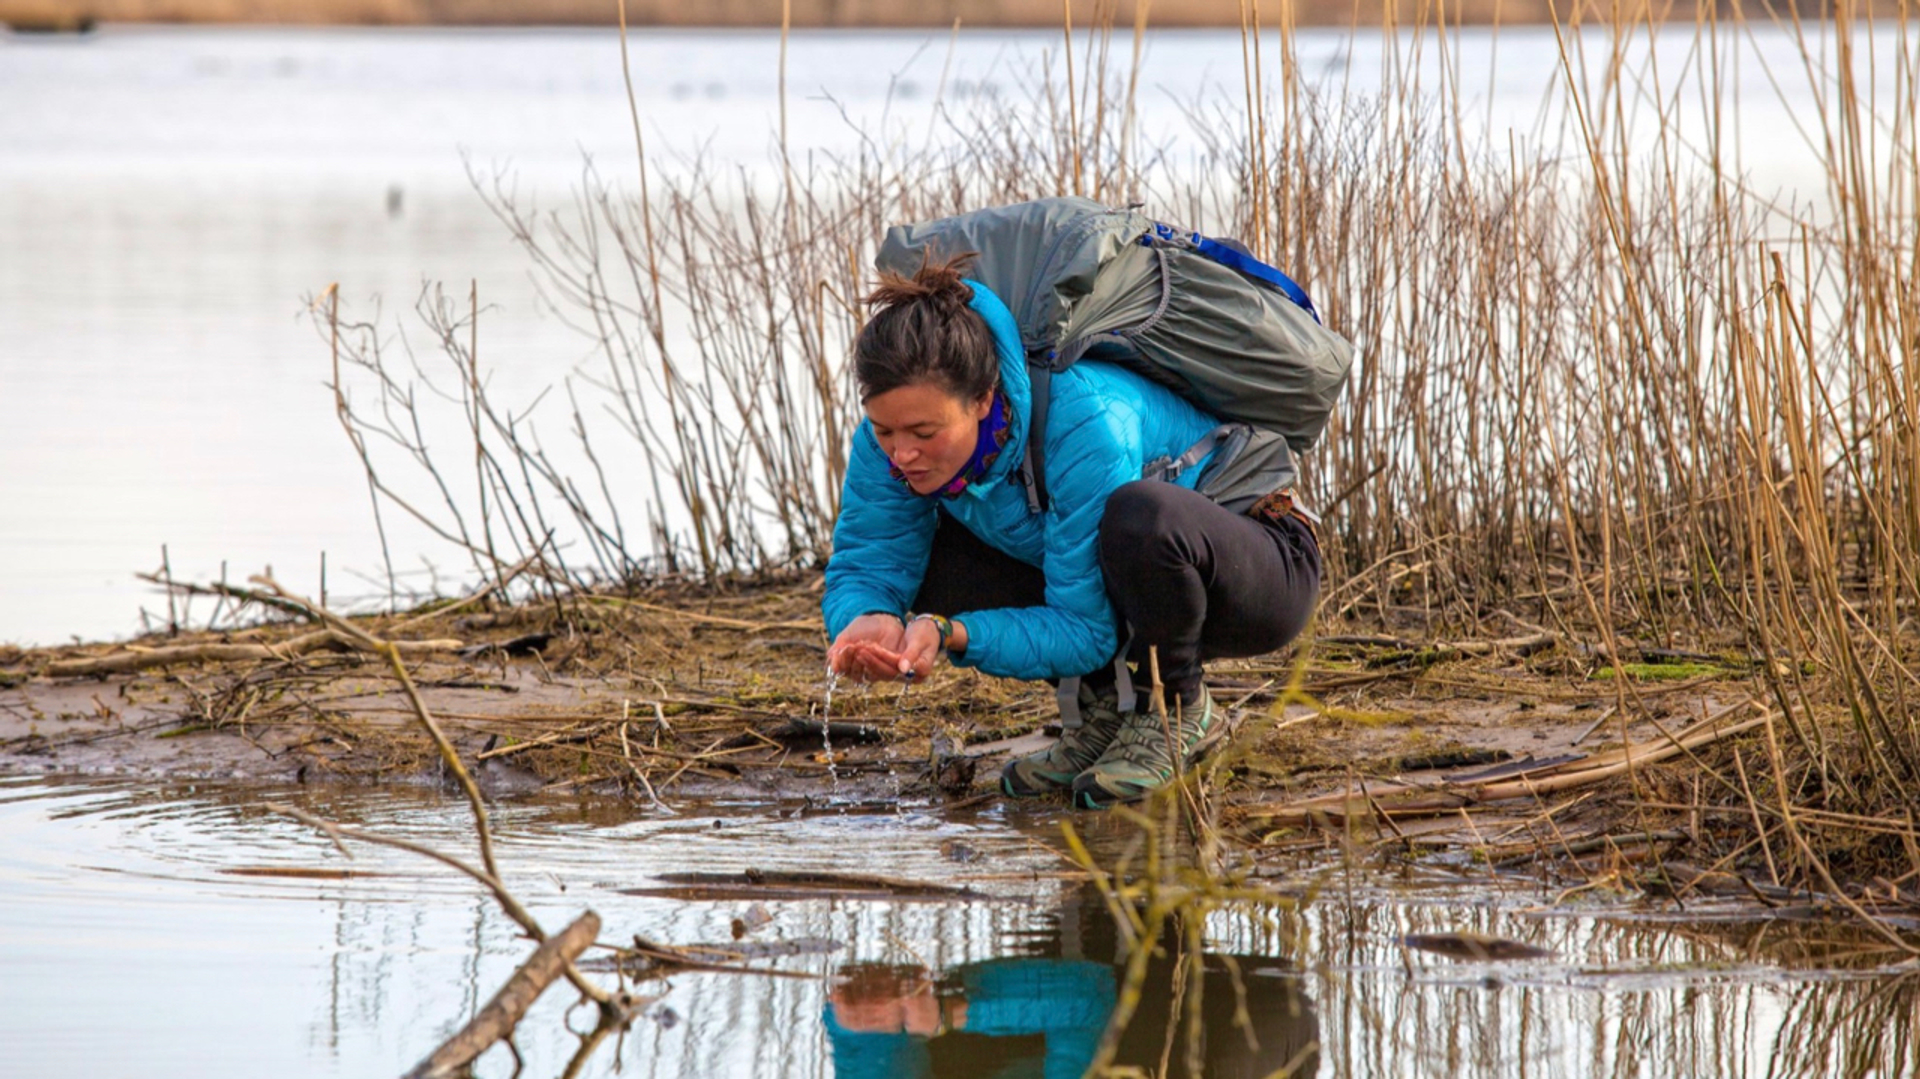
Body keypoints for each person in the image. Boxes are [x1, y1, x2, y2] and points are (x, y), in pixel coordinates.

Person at [821, 251, 1322, 808]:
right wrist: (867, 622)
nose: (902, 452)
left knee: (1139, 519)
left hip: (1258, 563)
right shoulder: (886, 446)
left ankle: (1178, 710)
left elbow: (1086, 630)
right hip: (1129, 584)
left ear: (984, 399)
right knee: (935, 558)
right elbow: (870, 558)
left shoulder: (1084, 417)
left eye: (922, 430)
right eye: (885, 429)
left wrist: (949, 634)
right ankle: (1107, 716)